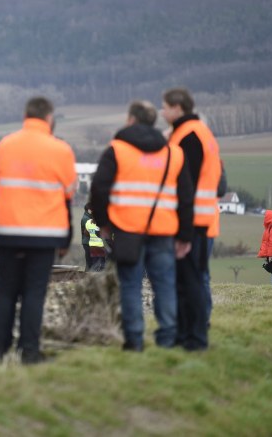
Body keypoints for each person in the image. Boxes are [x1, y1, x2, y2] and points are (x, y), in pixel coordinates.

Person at [90, 100, 194, 351]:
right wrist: (185, 235)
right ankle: (168, 338)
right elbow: (186, 198)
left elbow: (99, 189)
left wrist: (103, 224)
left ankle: (134, 340)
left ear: (131, 120)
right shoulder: (173, 153)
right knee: (165, 285)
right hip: (164, 231)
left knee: (130, 286)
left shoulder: (116, 150)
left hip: (127, 231)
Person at [0, 96, 76, 364]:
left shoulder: (6, 146)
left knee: (5, 292)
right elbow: (68, 196)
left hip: (8, 232)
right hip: (45, 235)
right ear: (49, 118)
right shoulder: (61, 150)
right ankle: (29, 352)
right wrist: (66, 238)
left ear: (25, 116)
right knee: (34, 293)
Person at [162, 87, 222, 351]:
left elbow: (185, 185)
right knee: (190, 280)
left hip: (191, 221)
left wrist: (182, 229)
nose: (162, 112)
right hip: (199, 219)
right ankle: (186, 334)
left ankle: (194, 338)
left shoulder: (188, 136)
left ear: (177, 107)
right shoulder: (198, 132)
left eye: (164, 107)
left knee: (191, 281)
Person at [81, 203, 107, 271]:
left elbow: (85, 233)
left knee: (94, 263)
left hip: (92, 245)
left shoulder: (89, 222)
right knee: (102, 264)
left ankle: (92, 276)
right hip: (100, 246)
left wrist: (92, 233)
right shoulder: (101, 223)